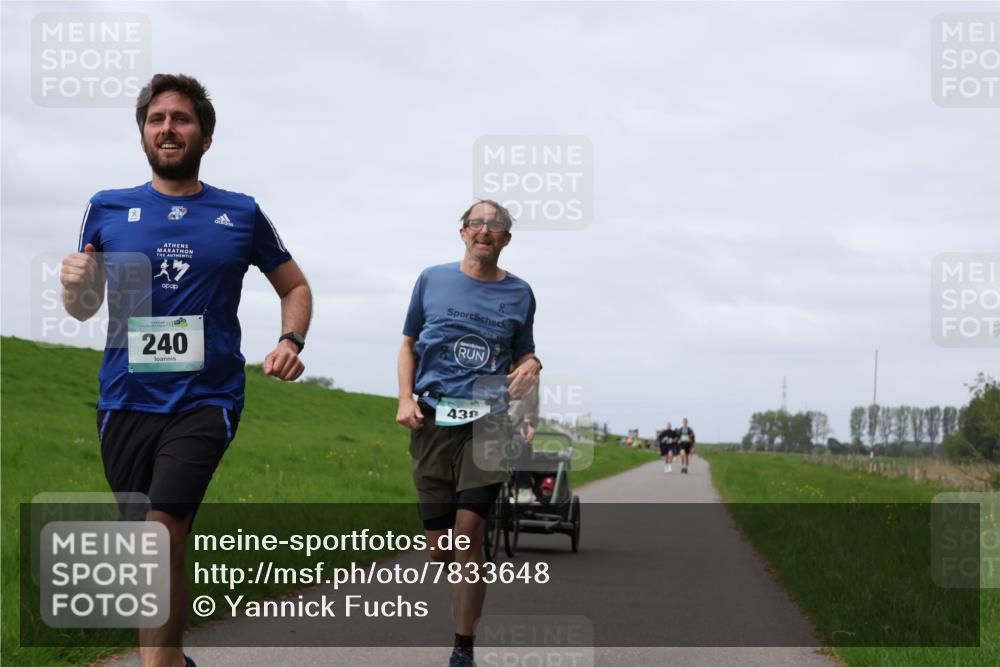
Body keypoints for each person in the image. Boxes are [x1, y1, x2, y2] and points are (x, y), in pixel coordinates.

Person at [60, 74, 312, 667]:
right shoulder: (106, 207)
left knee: (161, 533)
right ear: (144, 134)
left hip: (207, 395)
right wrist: (74, 286)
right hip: (124, 398)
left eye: (181, 118)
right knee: (151, 549)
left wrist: (290, 338)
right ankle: (172, 659)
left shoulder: (241, 213)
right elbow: (85, 307)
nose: (167, 128)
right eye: (156, 119)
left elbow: (295, 285)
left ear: (205, 134)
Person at [396, 199, 541, 667]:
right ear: (462, 233)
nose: (485, 231)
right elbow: (408, 345)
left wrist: (533, 365)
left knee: (470, 534)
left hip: (490, 420)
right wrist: (404, 397)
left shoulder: (520, 293)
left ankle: (462, 647)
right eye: (477, 223)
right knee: (442, 548)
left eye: (495, 226)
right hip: (435, 418)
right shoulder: (432, 280)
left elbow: (525, 354)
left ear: (506, 240)